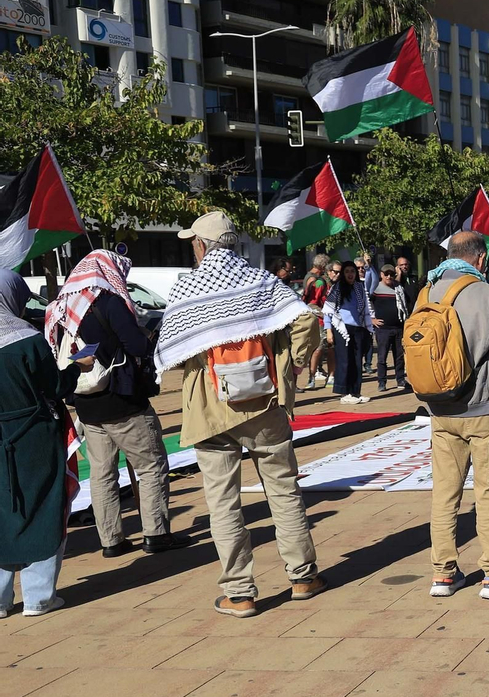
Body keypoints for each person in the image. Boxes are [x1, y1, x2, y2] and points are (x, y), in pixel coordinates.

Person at [153, 211, 324, 618]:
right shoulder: (262, 282)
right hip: (265, 404)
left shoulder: (188, 289)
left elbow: (171, 348)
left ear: (200, 246)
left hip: (211, 411)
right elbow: (305, 319)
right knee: (283, 491)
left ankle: (240, 592)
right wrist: (293, 363)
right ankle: (303, 577)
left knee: (223, 503)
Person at [43, 250, 188, 558]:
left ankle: (111, 540)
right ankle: (156, 534)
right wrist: (148, 338)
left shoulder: (61, 307)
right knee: (150, 467)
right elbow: (135, 346)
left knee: (101, 473)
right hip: (123, 402)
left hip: (86, 405)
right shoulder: (108, 303)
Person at [418, 231, 489, 601]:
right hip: (484, 407)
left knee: (444, 495)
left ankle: (443, 575)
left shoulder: (427, 292)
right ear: (481, 259)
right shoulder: (485, 294)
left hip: (441, 409)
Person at [0, 270, 74, 617]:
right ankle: (38, 597)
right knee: (45, 507)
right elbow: (56, 385)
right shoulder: (25, 338)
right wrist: (77, 366)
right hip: (33, 437)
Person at [324, 258, 372, 404]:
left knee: (357, 361)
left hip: (357, 328)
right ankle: (344, 393)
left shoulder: (359, 287)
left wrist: (368, 265)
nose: (350, 274)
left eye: (353, 271)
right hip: (341, 328)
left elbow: (373, 280)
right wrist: (328, 331)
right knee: (345, 360)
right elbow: (328, 310)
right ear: (343, 274)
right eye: (347, 272)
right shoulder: (337, 288)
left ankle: (355, 392)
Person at [370, 264, 409, 392]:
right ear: (381, 274)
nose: (389, 276)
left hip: (398, 327)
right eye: (386, 274)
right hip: (383, 329)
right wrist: (371, 319)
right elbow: (366, 304)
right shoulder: (375, 288)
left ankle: (400, 379)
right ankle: (382, 382)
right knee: (382, 357)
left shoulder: (398, 288)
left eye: (391, 274)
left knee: (399, 356)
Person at [301, 254, 332, 389]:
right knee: (318, 347)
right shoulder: (316, 281)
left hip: (314, 316)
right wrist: (323, 314)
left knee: (320, 348)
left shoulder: (310, 277)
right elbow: (313, 301)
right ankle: (312, 377)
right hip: (318, 317)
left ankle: (315, 375)